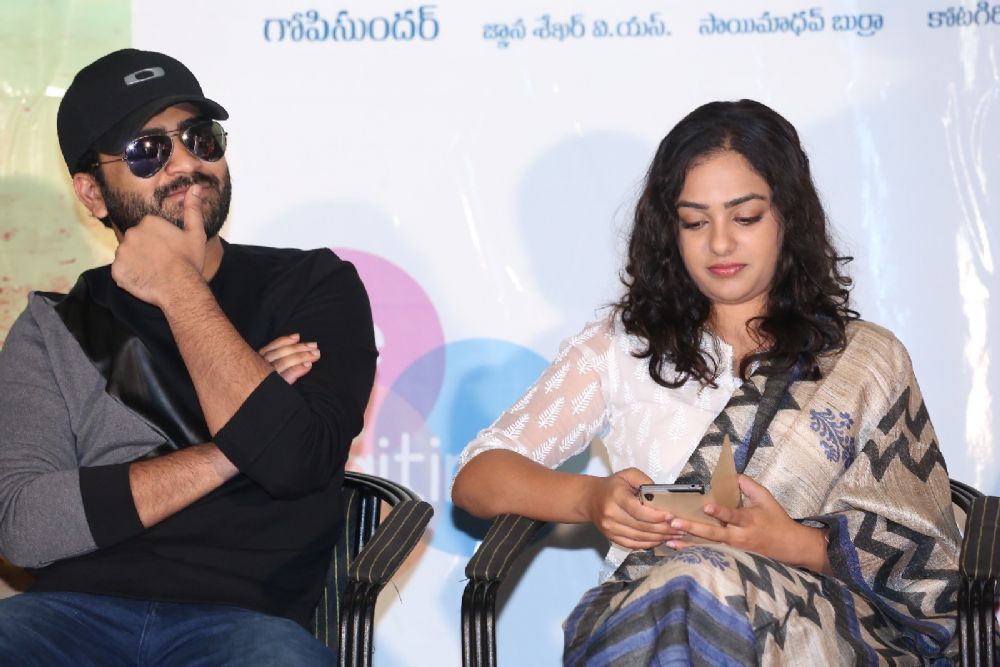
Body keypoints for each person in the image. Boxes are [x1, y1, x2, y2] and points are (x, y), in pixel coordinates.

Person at [452, 100, 961, 664]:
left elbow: (928, 560)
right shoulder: (623, 348)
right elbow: (478, 477)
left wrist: (789, 542)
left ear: (788, 218)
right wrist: (591, 498)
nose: (720, 244)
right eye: (695, 222)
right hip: (651, 619)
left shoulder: (864, 360)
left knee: (701, 584)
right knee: (686, 591)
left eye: (746, 218)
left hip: (825, 633)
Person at [0, 49, 377, 664]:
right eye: (147, 150)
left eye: (200, 139)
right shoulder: (54, 328)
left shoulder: (312, 286)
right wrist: (234, 448)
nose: (185, 163)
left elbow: (293, 461)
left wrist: (179, 289)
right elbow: (25, 526)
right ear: (92, 193)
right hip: (69, 619)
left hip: (246, 625)